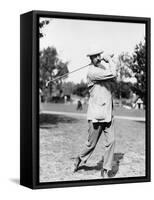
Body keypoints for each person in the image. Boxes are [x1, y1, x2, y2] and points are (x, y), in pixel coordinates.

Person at [73, 50, 117, 178]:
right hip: (96, 114)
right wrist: (109, 60)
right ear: (91, 58)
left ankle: (106, 168)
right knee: (91, 144)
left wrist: (110, 61)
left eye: (99, 55)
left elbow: (113, 78)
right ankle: (79, 158)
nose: (98, 57)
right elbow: (113, 73)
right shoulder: (93, 72)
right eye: (95, 56)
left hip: (108, 112)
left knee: (112, 141)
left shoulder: (101, 69)